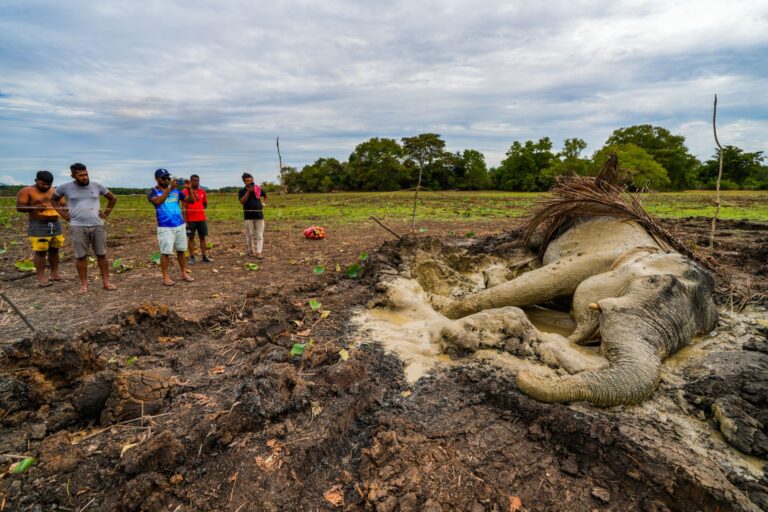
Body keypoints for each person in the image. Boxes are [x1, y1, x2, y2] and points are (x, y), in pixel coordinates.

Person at [51, 163, 117, 293]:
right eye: (80, 175)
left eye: (86, 174)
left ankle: (106, 282)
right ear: (73, 176)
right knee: (80, 256)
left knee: (102, 254)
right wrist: (63, 214)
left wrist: (106, 214)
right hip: (77, 226)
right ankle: (84, 285)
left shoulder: (97, 186)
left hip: (97, 225)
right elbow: (53, 200)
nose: (85, 177)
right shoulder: (65, 187)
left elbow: (112, 198)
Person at [148, 169, 196, 286]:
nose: (167, 180)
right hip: (165, 227)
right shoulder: (152, 192)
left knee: (181, 251)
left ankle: (184, 273)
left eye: (168, 178)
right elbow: (158, 202)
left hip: (179, 225)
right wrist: (169, 189)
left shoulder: (176, 191)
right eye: (164, 178)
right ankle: (165, 277)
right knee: (165, 252)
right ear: (157, 179)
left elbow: (191, 201)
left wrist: (189, 189)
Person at [15, 170, 64, 287]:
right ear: (36, 180)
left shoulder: (55, 191)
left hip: (55, 223)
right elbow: (19, 207)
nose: (46, 187)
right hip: (38, 224)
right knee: (41, 251)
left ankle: (54, 274)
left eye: (48, 184)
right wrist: (35, 207)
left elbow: (63, 205)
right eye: (43, 184)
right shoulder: (26, 191)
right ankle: (41, 278)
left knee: (55, 249)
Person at [182, 174, 212, 264]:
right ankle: (192, 257)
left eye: (198, 181)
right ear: (190, 181)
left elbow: (205, 204)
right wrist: (185, 222)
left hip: (201, 219)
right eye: (194, 181)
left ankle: (204, 256)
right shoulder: (184, 192)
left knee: (202, 238)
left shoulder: (202, 191)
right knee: (191, 238)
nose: (196, 182)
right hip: (190, 220)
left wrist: (199, 209)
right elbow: (183, 207)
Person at [238, 172, 267, 258]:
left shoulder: (257, 189)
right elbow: (242, 201)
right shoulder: (242, 191)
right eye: (247, 181)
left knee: (259, 235)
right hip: (248, 216)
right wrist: (248, 192)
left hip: (259, 214)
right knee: (250, 235)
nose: (250, 182)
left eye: (251, 180)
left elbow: (266, 196)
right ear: (244, 182)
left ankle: (259, 252)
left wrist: (263, 204)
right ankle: (250, 251)